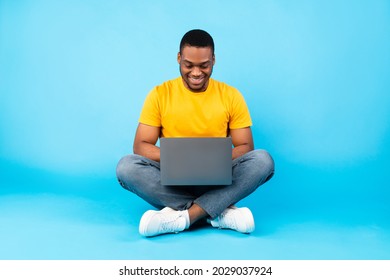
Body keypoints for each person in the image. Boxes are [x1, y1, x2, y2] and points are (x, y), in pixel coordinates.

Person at [116, 29, 274, 237]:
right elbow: (141, 145)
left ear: (214, 60)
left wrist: (211, 160)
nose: (196, 72)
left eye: (204, 65)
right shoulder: (159, 94)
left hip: (218, 178)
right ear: (179, 58)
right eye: (189, 65)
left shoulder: (231, 96)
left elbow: (246, 147)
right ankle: (217, 212)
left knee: (263, 160)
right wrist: (182, 160)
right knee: (126, 167)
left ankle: (185, 217)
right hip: (173, 180)